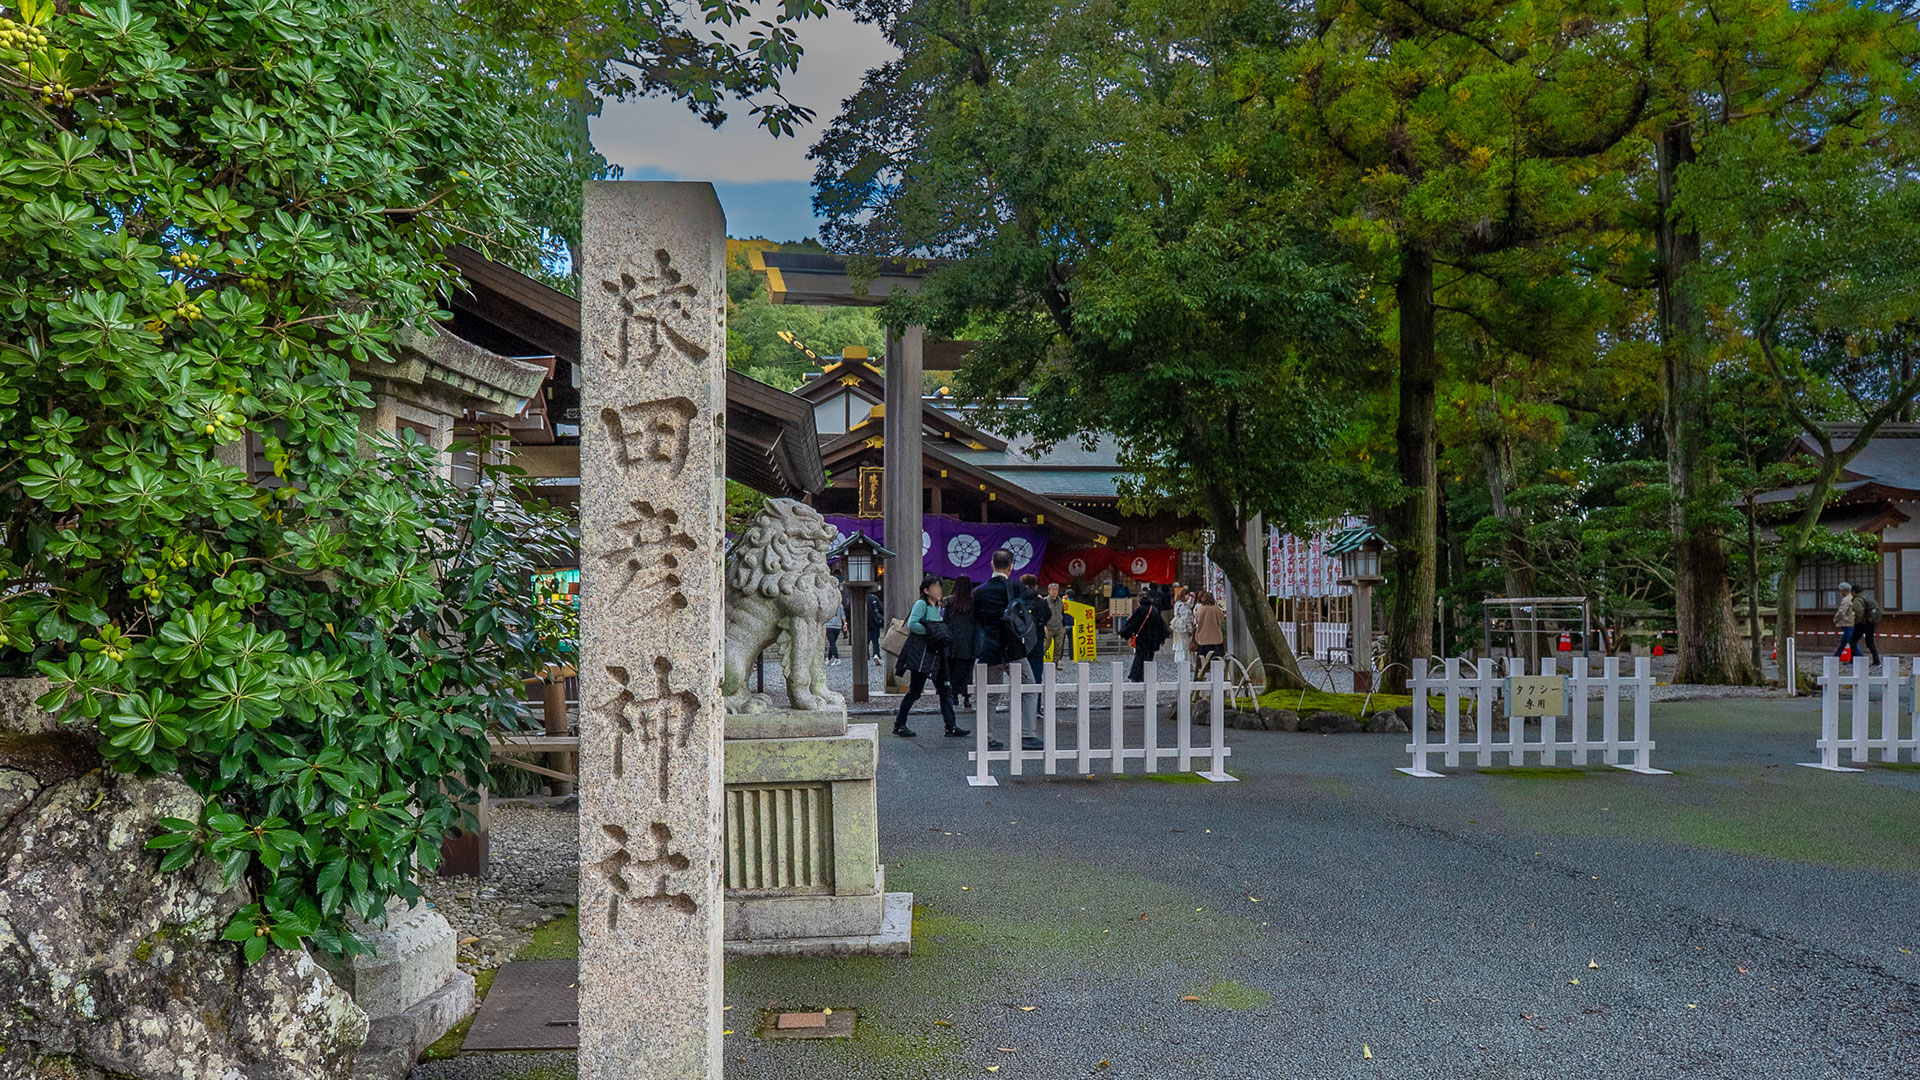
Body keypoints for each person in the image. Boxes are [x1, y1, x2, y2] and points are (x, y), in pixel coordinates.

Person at [973, 550, 1040, 750]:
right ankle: (1028, 735)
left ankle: (986, 736)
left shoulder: (979, 592)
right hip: (1014, 649)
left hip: (990, 649)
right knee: (1029, 688)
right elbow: (1034, 603)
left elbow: (976, 619)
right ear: (1011, 567)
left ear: (991, 565)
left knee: (989, 695)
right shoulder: (1017, 587)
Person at [893, 575, 967, 738]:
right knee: (915, 691)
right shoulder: (921, 604)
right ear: (926, 591)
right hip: (922, 655)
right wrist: (933, 632)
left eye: (939, 587)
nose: (938, 590)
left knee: (945, 690)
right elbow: (913, 624)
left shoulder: (937, 607)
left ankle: (951, 726)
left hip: (937, 654)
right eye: (935, 587)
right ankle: (899, 724)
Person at [945, 576, 979, 710]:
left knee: (953, 670)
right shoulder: (973, 602)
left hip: (953, 641)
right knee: (967, 671)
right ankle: (966, 697)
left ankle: (953, 696)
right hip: (969, 641)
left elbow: (946, 621)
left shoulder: (950, 602)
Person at [1119, 592, 1170, 682]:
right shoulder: (1154, 610)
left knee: (1139, 658)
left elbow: (1133, 623)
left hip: (1142, 639)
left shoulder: (1140, 610)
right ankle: (1148, 676)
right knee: (1149, 658)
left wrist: (1124, 633)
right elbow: (1162, 625)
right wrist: (1162, 638)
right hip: (1153, 639)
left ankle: (1136, 676)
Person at [1019, 574, 1051, 681]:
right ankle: (1036, 693)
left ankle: (1021, 694)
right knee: (1037, 664)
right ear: (1035, 586)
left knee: (1021, 668)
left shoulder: (1017, 600)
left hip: (1021, 637)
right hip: (1038, 636)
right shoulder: (1041, 601)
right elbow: (1048, 615)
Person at [1192, 590, 1226, 673]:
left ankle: (1203, 670)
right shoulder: (1216, 609)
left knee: (1202, 657)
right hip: (1215, 637)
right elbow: (1222, 618)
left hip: (1202, 636)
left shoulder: (1200, 609)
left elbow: (1197, 620)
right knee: (1217, 656)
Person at [1851, 582, 1881, 665]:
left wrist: (1856, 621)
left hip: (1862, 624)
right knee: (1870, 642)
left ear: (1853, 592)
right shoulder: (1868, 597)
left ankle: (1854, 660)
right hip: (1872, 623)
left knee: (1852, 641)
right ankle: (1876, 660)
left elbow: (1859, 612)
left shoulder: (1857, 600)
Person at [1041, 581, 1069, 669]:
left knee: (1058, 647)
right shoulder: (1045, 601)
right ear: (1049, 591)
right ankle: (1039, 661)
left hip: (1059, 626)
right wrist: (1044, 625)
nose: (1054, 591)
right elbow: (1042, 614)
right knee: (1045, 646)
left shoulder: (1061, 601)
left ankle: (1055, 663)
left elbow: (1063, 613)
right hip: (1049, 627)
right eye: (1053, 589)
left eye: (1056, 589)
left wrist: (1064, 625)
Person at [1169, 586, 1196, 665]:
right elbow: (1186, 618)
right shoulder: (1183, 606)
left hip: (1179, 626)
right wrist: (1191, 629)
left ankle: (1183, 660)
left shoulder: (1178, 604)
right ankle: (1185, 661)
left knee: (1182, 643)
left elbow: (1189, 605)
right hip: (1183, 626)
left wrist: (1192, 598)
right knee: (1185, 643)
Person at [1833, 583, 1858, 658]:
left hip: (1846, 623)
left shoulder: (1846, 600)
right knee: (1844, 641)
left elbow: (1841, 611)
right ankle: (1837, 655)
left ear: (1843, 591)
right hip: (1852, 621)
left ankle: (1859, 656)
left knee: (1851, 641)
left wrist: (1836, 619)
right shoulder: (1852, 598)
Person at [824, 587, 846, 662]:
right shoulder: (840, 605)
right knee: (832, 642)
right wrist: (844, 624)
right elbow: (843, 615)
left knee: (832, 642)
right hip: (838, 626)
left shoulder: (827, 605)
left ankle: (836, 658)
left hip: (829, 625)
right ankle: (829, 658)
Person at [867, 590, 885, 661]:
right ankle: (876, 654)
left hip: (863, 622)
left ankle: (866, 655)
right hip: (874, 621)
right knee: (875, 640)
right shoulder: (874, 598)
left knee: (865, 640)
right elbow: (881, 609)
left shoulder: (860, 598)